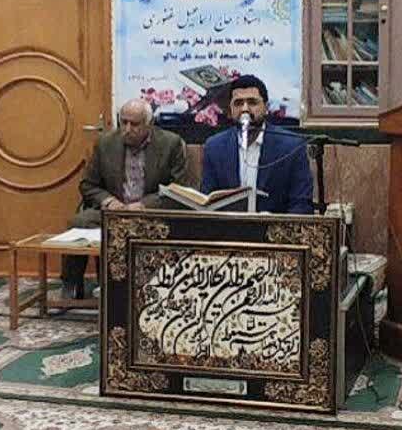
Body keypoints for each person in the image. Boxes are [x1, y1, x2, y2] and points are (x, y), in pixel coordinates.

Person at [65, 98, 188, 297]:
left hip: (150, 213)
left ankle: (149, 285)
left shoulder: (170, 144)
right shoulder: (105, 143)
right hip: (114, 211)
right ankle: (71, 283)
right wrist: (108, 201)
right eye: (123, 122)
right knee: (79, 222)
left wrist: (145, 205)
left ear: (149, 124)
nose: (127, 129)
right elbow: (88, 185)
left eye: (135, 124)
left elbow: (178, 189)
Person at [200, 75, 314, 214]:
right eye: (238, 103)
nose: (245, 109)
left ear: (266, 107)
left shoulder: (291, 147)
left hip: (274, 226)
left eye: (252, 102)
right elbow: (207, 201)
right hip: (229, 226)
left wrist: (273, 223)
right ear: (230, 110)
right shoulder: (214, 147)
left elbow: (301, 205)